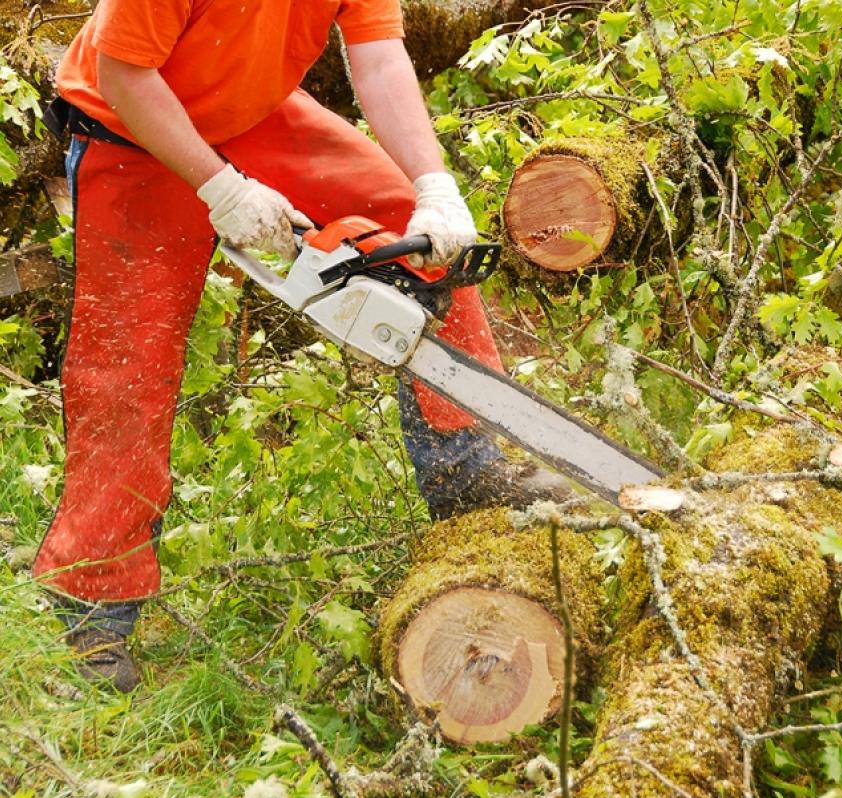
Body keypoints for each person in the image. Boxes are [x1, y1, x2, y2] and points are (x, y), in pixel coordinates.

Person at [32, 0, 572, 693]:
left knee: (420, 233)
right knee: (128, 368)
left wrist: (433, 186)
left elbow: (377, 56)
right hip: (129, 128)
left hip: (252, 111)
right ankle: (94, 597)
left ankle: (464, 461)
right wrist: (220, 188)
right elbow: (125, 72)